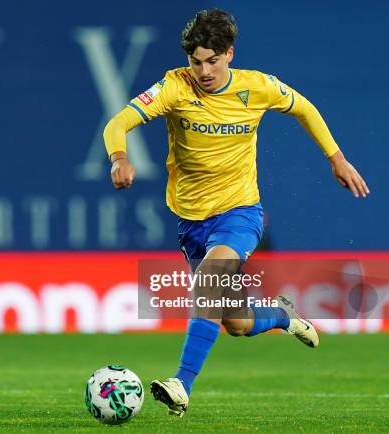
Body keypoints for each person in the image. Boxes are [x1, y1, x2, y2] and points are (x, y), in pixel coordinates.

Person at [103, 8, 369, 417]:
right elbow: (117, 122)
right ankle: (282, 316)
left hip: (240, 212)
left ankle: (181, 384)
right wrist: (119, 157)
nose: (204, 70)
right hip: (191, 221)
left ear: (229, 54)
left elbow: (305, 109)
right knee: (237, 322)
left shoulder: (257, 87)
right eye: (196, 62)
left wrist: (336, 158)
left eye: (212, 60)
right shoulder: (174, 87)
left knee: (209, 280)